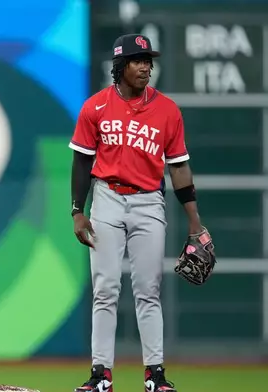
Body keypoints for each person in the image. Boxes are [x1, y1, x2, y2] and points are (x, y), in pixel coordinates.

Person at [69, 34, 206, 392]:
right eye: (136, 60)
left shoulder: (167, 110)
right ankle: (101, 374)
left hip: (149, 201)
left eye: (148, 60)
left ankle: (154, 375)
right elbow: (82, 162)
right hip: (107, 198)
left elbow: (178, 168)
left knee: (148, 289)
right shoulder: (95, 107)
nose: (145, 66)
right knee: (106, 289)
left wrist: (195, 221)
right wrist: (76, 211)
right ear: (119, 67)